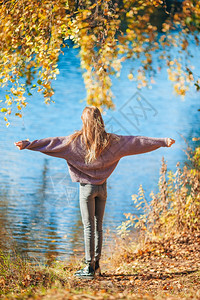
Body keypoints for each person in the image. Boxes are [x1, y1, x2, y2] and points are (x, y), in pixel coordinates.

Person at [15, 106, 175, 279]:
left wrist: (29, 145)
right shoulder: (112, 141)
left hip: (86, 190)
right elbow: (136, 142)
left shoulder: (75, 141)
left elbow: (53, 143)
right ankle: (96, 265)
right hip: (102, 189)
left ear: (84, 121)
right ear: (100, 121)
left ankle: (88, 267)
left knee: (88, 226)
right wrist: (162, 141)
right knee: (98, 226)